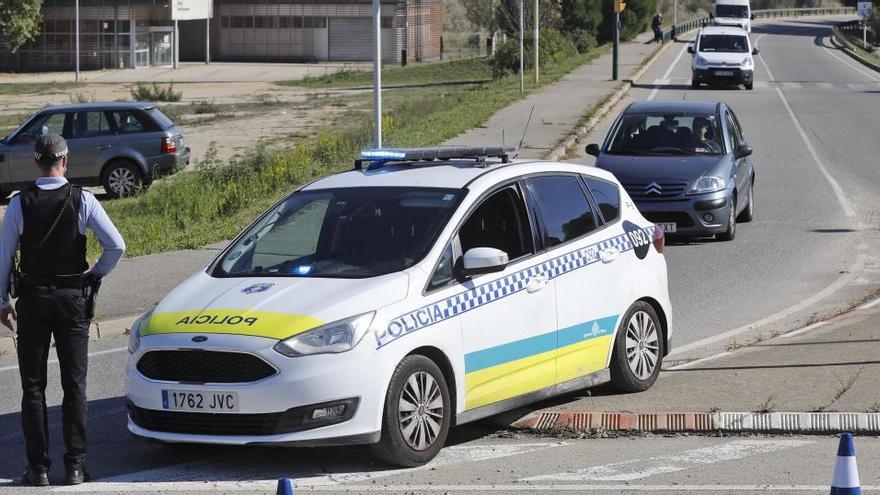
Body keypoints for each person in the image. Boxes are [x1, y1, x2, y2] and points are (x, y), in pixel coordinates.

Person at [0, 134, 125, 486]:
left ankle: (38, 468)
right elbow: (116, 245)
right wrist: (94, 272)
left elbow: (4, 256)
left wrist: (0, 302)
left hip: (33, 298)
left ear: (36, 161)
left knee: (33, 387)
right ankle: (75, 466)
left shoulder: (19, 203)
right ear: (65, 161)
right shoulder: (82, 198)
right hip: (72, 298)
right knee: (74, 384)